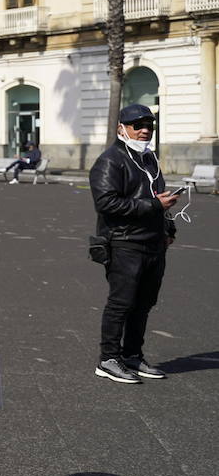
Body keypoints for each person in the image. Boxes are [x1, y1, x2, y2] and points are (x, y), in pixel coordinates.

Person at [89, 103, 177, 384]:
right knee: (121, 303)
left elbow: (158, 198)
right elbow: (106, 203)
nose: (144, 130)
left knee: (144, 304)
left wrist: (168, 226)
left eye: (149, 126)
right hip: (124, 242)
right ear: (121, 129)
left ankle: (132, 356)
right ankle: (108, 359)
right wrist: (153, 205)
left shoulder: (149, 159)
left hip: (153, 243)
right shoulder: (110, 160)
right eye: (137, 125)